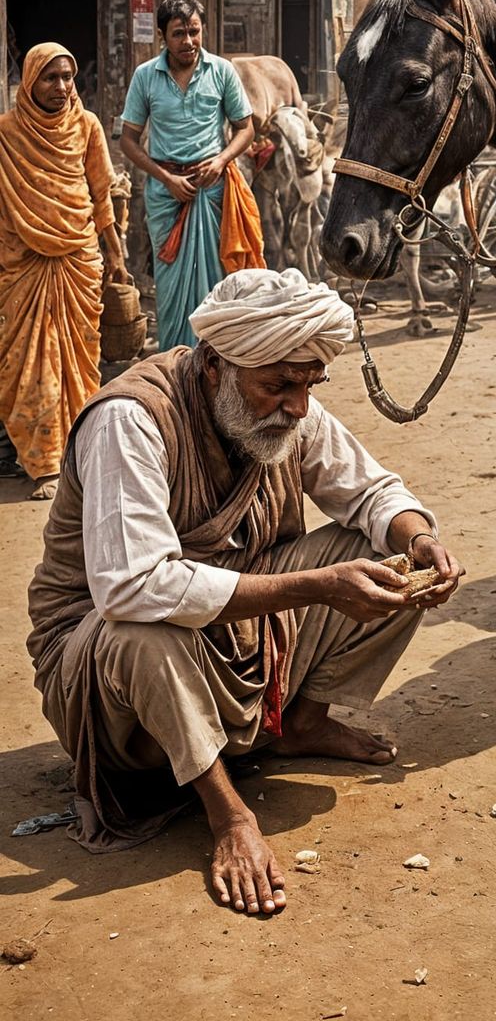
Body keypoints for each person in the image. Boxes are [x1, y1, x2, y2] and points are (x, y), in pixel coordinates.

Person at [26, 267, 464, 916]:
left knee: (387, 556)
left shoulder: (286, 407)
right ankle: (227, 814)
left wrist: (419, 538)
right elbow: (132, 588)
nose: (296, 405)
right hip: (106, 672)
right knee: (142, 628)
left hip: (231, 634)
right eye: (278, 386)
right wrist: (315, 586)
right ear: (213, 364)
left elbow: (371, 491)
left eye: (308, 386)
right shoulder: (130, 420)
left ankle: (299, 723)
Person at [0, 45, 129, 499]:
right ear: (29, 82)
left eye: (68, 77)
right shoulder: (7, 133)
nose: (61, 87)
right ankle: (41, 464)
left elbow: (102, 195)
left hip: (77, 259)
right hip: (22, 266)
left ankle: (78, 454)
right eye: (50, 78)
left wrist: (116, 255)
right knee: (27, 367)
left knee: (78, 362)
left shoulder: (87, 125)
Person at [119, 0, 257, 350]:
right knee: (170, 292)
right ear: (163, 36)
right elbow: (129, 142)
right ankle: (176, 366)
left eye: (194, 31)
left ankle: (219, 362)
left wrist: (220, 160)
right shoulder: (145, 76)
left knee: (218, 283)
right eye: (179, 34)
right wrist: (167, 179)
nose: (189, 42)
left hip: (213, 192)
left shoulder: (222, 71)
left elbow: (246, 129)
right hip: (167, 196)